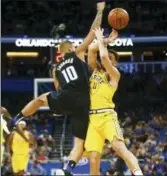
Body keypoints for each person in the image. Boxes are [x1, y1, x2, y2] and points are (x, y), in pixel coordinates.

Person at [13, 2, 105, 175]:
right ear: (70, 48)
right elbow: (93, 32)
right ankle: (67, 168)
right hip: (85, 101)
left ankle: (16, 118)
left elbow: (58, 88)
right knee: (79, 143)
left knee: (41, 99)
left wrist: (59, 107)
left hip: (66, 97)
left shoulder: (55, 69)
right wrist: (100, 11)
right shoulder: (78, 52)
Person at [85, 28, 143, 176]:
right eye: (108, 55)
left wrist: (100, 39)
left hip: (107, 116)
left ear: (115, 63)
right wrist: (105, 41)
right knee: (93, 158)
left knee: (119, 147)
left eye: (112, 57)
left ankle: (137, 173)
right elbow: (91, 50)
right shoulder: (96, 71)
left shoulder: (114, 74)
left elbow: (103, 57)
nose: (107, 58)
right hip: (92, 119)